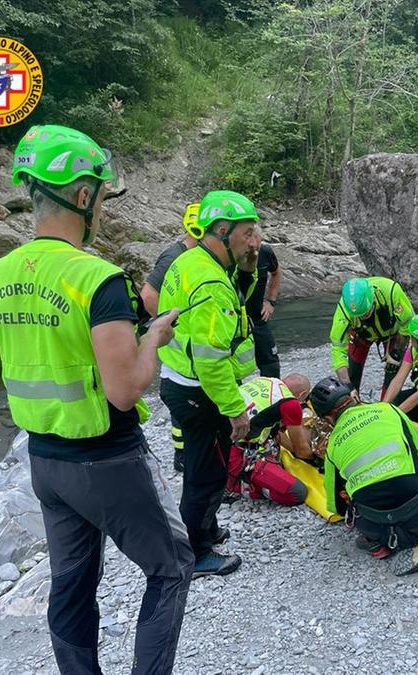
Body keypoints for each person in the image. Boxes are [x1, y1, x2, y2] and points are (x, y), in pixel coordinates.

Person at [0, 124, 193, 674]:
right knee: (171, 568)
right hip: (108, 459)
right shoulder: (98, 278)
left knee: (71, 585)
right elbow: (126, 388)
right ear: (84, 196)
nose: (105, 211)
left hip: (45, 463)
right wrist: (152, 339)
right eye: (104, 197)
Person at [157, 189, 260, 577]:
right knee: (208, 472)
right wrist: (235, 410)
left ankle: (207, 528)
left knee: (203, 465)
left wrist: (248, 270)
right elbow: (211, 360)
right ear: (222, 229)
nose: (255, 241)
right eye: (248, 232)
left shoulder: (195, 260)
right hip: (198, 392)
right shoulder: (210, 283)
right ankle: (195, 553)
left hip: (179, 381)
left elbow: (237, 301)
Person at [311, 376, 418, 575]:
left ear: (326, 418)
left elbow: (336, 505)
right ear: (353, 396)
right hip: (413, 498)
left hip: (373, 518)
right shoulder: (389, 410)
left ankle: (379, 541)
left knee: (371, 519)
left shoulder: (332, 445)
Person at [139, 202, 200, 473]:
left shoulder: (196, 257)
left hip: (187, 341)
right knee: (180, 395)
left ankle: (185, 453)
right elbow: (148, 297)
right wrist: (169, 327)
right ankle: (182, 455)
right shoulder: (173, 256)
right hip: (176, 341)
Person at [226, 374, 313, 505]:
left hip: (218, 440)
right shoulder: (290, 403)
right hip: (237, 454)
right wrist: (316, 459)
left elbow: (276, 432)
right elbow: (302, 451)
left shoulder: (265, 381)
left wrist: (293, 451)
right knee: (297, 493)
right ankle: (241, 487)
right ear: (302, 394)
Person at [329, 276, 414, 393]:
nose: (363, 316)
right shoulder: (343, 310)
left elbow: (407, 325)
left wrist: (396, 352)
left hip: (392, 333)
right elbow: (338, 348)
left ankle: (387, 405)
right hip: (360, 335)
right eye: (359, 315)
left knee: (392, 372)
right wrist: (347, 385)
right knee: (352, 376)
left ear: (373, 297)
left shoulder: (392, 291)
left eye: (366, 312)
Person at [246, 226, 282, 378]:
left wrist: (271, 301)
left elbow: (276, 272)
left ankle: (272, 398)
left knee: (271, 365)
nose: (254, 247)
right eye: (250, 245)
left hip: (258, 317)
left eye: (257, 244)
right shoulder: (230, 255)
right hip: (234, 317)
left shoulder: (265, 252)